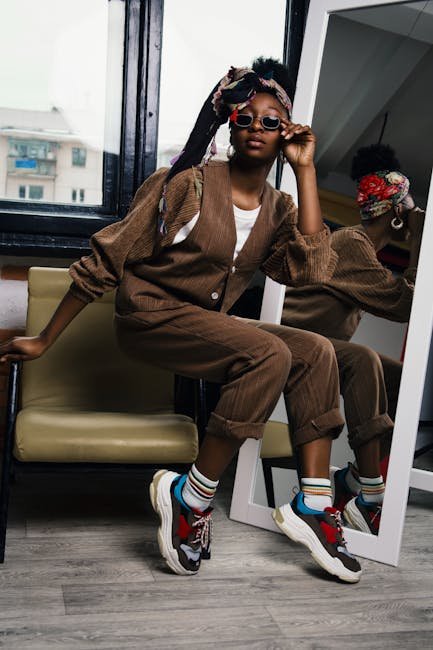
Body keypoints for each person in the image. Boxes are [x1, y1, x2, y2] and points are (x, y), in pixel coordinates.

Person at [0, 58, 362, 583]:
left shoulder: (280, 208)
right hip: (148, 317)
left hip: (202, 324)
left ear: (285, 133)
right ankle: (190, 498)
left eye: (270, 121)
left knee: (315, 350)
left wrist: (306, 170)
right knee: (270, 352)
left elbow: (311, 268)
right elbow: (108, 258)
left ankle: (315, 503)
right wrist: (44, 340)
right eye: (246, 117)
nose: (256, 128)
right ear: (230, 124)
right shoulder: (188, 185)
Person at [282, 143, 424, 534]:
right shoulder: (352, 244)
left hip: (322, 347)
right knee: (365, 359)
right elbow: (403, 306)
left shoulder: (361, 250)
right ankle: (370, 495)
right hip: (294, 341)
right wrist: (417, 243)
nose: (413, 216)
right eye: (408, 208)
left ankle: (350, 483)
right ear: (396, 213)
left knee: (402, 381)